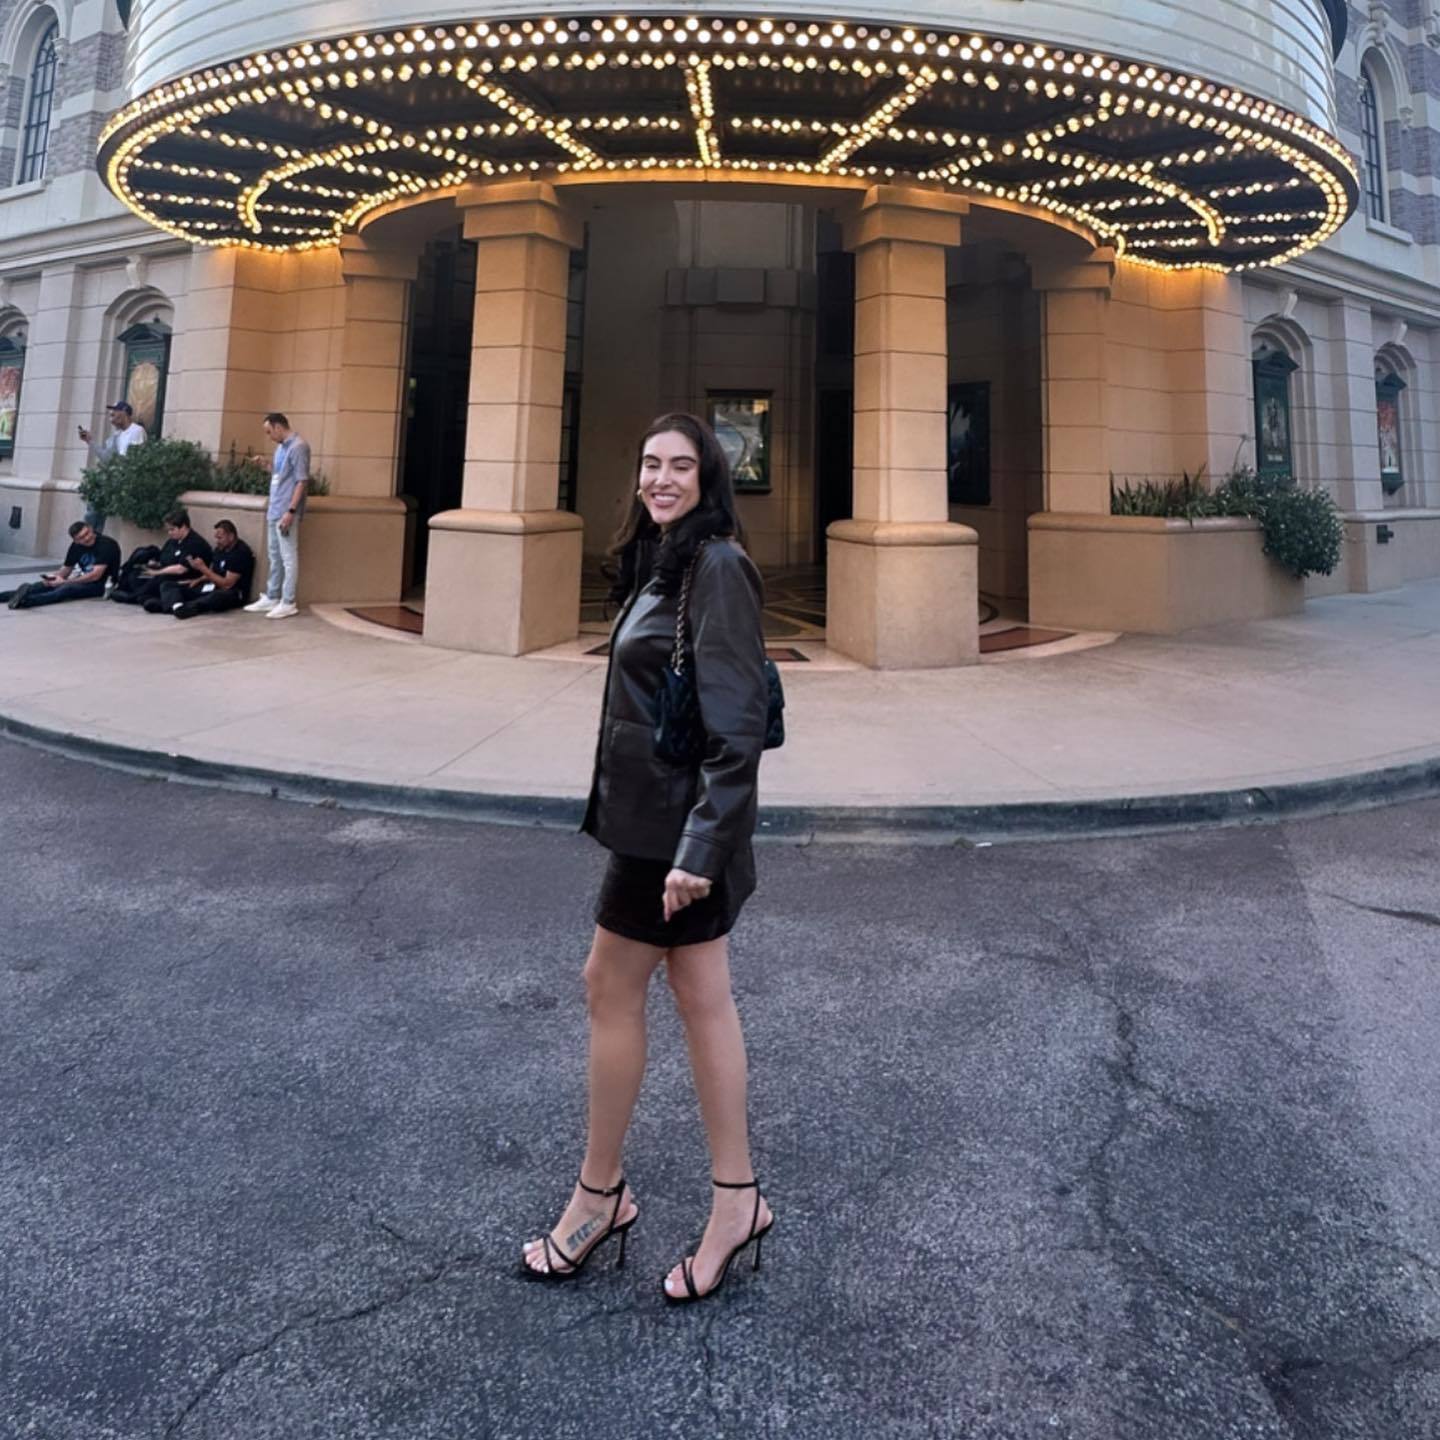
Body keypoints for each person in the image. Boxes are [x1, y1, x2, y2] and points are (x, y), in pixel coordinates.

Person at [521, 412, 775, 1303]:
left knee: (609, 985)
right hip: (664, 827)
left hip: (676, 836)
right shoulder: (669, 560)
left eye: (680, 465)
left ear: (709, 478)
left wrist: (699, 849)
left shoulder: (718, 567)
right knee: (700, 999)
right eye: (650, 463)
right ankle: (735, 1201)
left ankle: (600, 1197)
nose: (661, 478)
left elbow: (739, 724)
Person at [243, 412, 308, 620]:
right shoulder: (281, 448)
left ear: (279, 427)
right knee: (274, 555)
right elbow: (280, 474)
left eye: (269, 431)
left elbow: (301, 481)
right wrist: (265, 464)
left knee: (288, 556)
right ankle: (272, 595)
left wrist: (291, 510)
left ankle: (288, 601)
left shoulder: (299, 447)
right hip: (275, 506)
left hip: (285, 510)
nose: (269, 436)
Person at [143, 519, 254, 619]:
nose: (217, 541)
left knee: (216, 597)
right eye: (216, 538)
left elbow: (227, 584)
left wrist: (203, 568)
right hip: (212, 585)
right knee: (168, 585)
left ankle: (175, 607)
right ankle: (176, 607)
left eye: (220, 538)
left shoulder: (240, 553)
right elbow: (213, 572)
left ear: (231, 536)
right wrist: (198, 580)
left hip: (232, 593)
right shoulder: (220, 549)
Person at [2, 520, 120, 610]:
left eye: (87, 533)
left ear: (90, 528)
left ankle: (25, 602)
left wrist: (64, 582)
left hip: (102, 585)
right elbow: (66, 570)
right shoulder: (76, 547)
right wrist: (54, 578)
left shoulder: (106, 545)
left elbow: (95, 576)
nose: (87, 538)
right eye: (81, 538)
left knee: (66, 589)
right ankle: (5, 596)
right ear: (76, 541)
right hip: (83, 580)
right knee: (42, 585)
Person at [109, 509, 212, 605]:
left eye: (172, 530)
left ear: (184, 527)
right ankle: (139, 594)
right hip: (164, 570)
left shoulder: (194, 544)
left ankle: (132, 597)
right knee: (136, 574)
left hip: (183, 577)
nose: (169, 533)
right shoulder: (173, 541)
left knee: (160, 579)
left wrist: (157, 572)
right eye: (168, 530)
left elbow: (181, 569)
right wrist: (154, 564)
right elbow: (164, 557)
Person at [78, 401, 146, 461]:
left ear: (124, 412)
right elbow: (106, 458)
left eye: (115, 411)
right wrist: (89, 440)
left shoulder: (137, 430)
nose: (111, 413)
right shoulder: (117, 435)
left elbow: (133, 459)